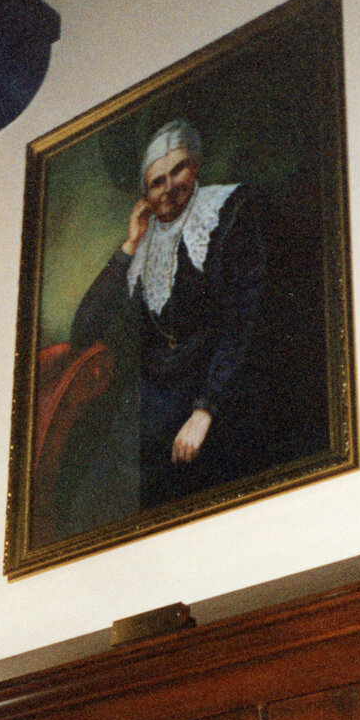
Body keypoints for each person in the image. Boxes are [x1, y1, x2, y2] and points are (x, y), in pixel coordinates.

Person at [69, 118, 274, 510]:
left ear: (195, 164)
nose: (170, 188)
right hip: (153, 403)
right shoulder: (142, 246)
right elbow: (84, 330)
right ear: (145, 195)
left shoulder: (226, 212)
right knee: (98, 496)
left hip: (215, 393)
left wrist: (204, 410)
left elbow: (244, 320)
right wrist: (129, 245)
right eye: (156, 182)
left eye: (178, 169)